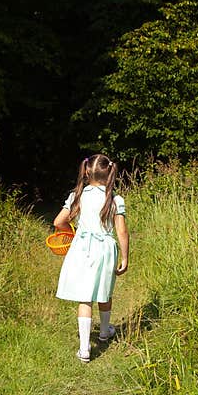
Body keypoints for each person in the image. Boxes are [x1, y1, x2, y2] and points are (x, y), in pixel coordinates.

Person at [53, 153, 129, 362]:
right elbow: (121, 231)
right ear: (110, 173)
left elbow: (58, 221)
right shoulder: (114, 198)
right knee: (104, 290)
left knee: (85, 297)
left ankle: (85, 349)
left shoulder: (77, 196)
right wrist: (125, 257)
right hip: (105, 249)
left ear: (86, 172)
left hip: (82, 247)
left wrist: (72, 231)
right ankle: (104, 332)